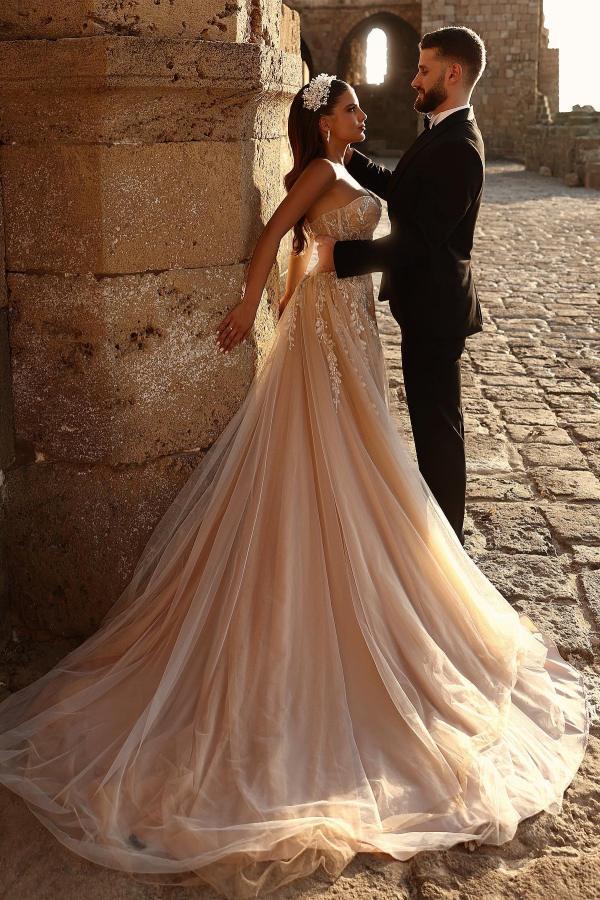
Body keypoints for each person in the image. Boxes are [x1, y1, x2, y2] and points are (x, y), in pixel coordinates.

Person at [0, 66, 590, 900]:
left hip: (350, 327)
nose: (361, 112)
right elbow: (276, 232)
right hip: (325, 334)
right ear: (324, 122)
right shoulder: (320, 171)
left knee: (366, 460)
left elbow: (328, 247)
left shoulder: (350, 169)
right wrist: (252, 309)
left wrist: (301, 288)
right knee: (333, 459)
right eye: (349, 107)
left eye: (356, 105)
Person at [316, 26, 486, 546]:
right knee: (431, 423)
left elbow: (419, 242)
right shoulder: (438, 131)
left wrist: (340, 256)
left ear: (452, 74)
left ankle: (446, 549)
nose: (413, 79)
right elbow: (405, 193)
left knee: (437, 431)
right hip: (424, 307)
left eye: (424, 70)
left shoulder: (460, 146)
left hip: (437, 311)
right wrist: (353, 160)